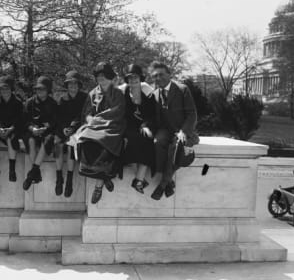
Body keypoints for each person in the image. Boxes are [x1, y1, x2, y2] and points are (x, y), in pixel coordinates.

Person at [74, 62, 126, 204]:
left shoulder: (118, 93)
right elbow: (87, 113)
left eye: (104, 76)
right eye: (99, 76)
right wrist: (90, 120)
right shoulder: (93, 93)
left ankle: (98, 187)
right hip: (95, 126)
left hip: (112, 126)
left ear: (110, 77)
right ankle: (105, 176)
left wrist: (99, 120)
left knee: (103, 140)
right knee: (85, 137)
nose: (101, 78)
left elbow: (117, 112)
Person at [149, 61, 200, 200]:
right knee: (157, 142)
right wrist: (145, 127)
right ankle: (169, 182)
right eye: (155, 76)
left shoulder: (182, 89)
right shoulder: (155, 94)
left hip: (184, 130)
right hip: (166, 130)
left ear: (169, 74)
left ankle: (163, 184)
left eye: (161, 74)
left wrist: (184, 131)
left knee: (175, 147)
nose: (158, 78)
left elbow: (192, 113)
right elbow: (154, 119)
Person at [119, 64, 157, 193]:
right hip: (128, 126)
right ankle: (139, 179)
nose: (133, 80)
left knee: (148, 139)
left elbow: (154, 113)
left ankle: (139, 180)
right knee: (130, 140)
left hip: (145, 124)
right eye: (130, 78)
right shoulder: (123, 91)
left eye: (135, 77)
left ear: (140, 78)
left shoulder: (146, 89)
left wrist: (146, 125)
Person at [54, 70, 88, 197]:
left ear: (79, 85)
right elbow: (59, 117)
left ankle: (69, 180)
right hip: (64, 129)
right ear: (67, 86)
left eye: (75, 84)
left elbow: (84, 115)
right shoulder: (62, 99)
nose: (73, 86)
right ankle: (59, 177)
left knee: (70, 147)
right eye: (70, 84)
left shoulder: (85, 98)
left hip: (78, 129)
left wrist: (73, 127)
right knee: (57, 144)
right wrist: (64, 128)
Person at [22, 75, 58, 190]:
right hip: (33, 131)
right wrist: (33, 129)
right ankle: (36, 173)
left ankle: (33, 172)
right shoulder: (29, 103)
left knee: (48, 140)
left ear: (48, 90)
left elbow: (55, 121)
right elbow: (25, 121)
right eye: (38, 89)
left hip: (47, 132)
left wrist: (46, 127)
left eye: (42, 89)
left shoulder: (53, 103)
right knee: (30, 140)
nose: (40, 91)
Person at [0, 75, 25, 182]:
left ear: (11, 89)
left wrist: (11, 129)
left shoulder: (18, 102)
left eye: (7, 88)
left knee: (11, 139)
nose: (5, 91)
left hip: (13, 129)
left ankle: (12, 170)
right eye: (2, 89)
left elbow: (20, 119)